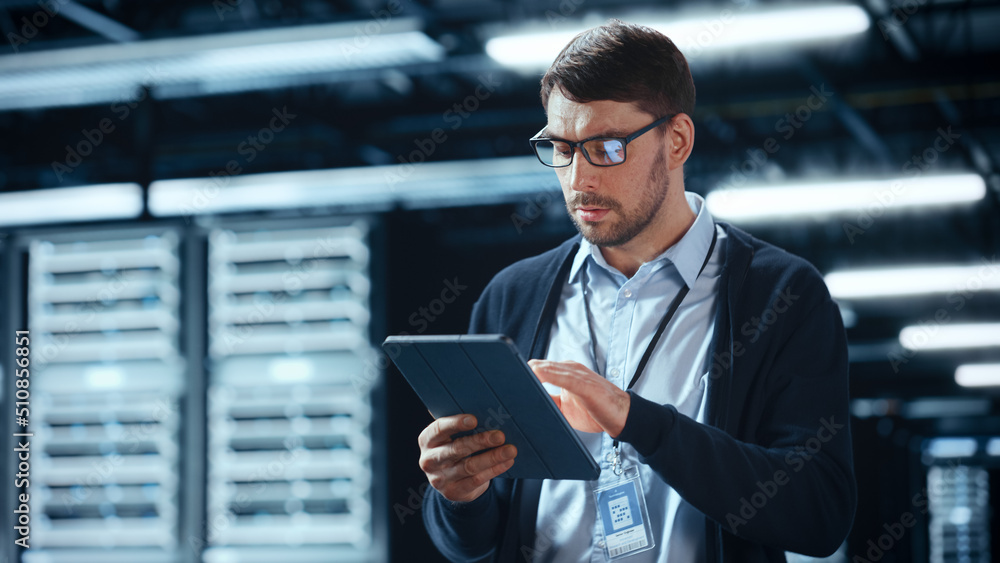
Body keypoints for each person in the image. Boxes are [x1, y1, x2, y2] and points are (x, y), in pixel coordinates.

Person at [417, 19, 856, 562]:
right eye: (561, 146)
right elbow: (473, 544)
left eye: (605, 147)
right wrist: (460, 496)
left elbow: (820, 515)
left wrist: (636, 421)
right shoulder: (514, 296)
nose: (579, 180)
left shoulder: (780, 294)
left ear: (677, 141)